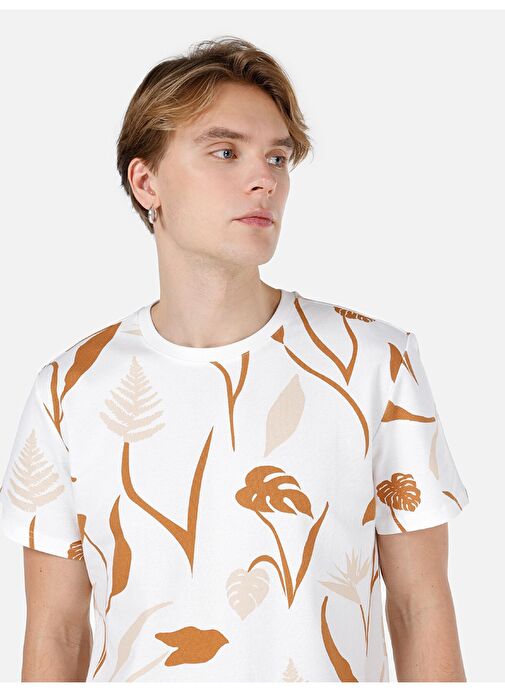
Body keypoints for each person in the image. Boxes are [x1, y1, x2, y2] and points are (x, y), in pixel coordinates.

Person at [0, 36, 469, 683]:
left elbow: (420, 608)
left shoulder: (374, 364)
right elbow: (56, 632)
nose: (264, 179)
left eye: (277, 157)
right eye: (226, 152)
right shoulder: (68, 389)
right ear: (146, 182)